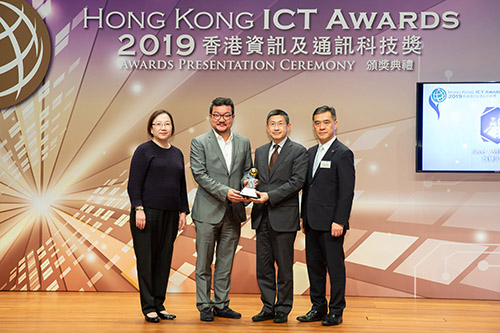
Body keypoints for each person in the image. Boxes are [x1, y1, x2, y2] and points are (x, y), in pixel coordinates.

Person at [190, 97, 252, 321]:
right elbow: (200, 175)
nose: (221, 120)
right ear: (210, 117)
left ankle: (221, 303)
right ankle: (204, 305)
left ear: (233, 117)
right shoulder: (199, 142)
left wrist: (247, 184)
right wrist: (226, 191)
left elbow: (247, 170)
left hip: (233, 212)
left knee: (225, 263)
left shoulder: (244, 142)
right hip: (207, 212)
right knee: (204, 263)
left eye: (226, 115)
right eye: (217, 115)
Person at [127, 110, 189, 323]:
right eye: (158, 123)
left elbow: (181, 185)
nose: (163, 127)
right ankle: (148, 307)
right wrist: (139, 209)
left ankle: (159, 304)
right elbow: (134, 184)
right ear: (151, 128)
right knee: (147, 261)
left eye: (167, 123)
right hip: (147, 214)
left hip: (171, 215)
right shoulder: (144, 151)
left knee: (163, 261)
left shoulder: (177, 153)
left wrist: (183, 211)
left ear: (172, 127)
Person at [297, 105, 355, 326]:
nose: (322, 126)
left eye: (326, 122)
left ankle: (336, 311)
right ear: (313, 126)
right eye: (318, 123)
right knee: (314, 267)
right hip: (311, 223)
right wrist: (303, 217)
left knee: (335, 268)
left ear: (335, 124)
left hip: (332, 224)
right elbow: (308, 189)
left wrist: (340, 220)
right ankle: (318, 307)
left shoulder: (343, 153)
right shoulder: (310, 153)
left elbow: (346, 192)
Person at [250, 109, 308, 323]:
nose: (276, 127)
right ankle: (267, 307)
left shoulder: (298, 151)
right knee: (263, 267)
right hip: (261, 217)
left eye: (280, 123)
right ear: (267, 128)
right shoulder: (261, 150)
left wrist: (269, 196)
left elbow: (296, 183)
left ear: (288, 127)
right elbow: (255, 179)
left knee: (284, 268)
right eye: (272, 124)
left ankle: (283, 308)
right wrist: (250, 187)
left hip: (283, 218)